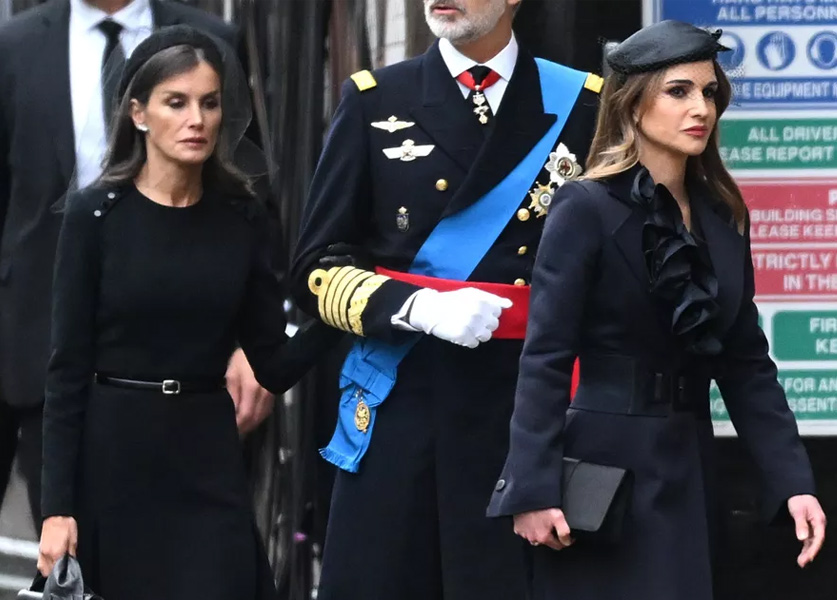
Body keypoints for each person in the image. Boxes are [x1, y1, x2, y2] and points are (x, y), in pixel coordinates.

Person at [487, 20, 826, 600]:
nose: (702, 107)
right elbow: (545, 356)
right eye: (679, 91)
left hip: (689, 465)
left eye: (710, 91)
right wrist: (532, 489)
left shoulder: (724, 221)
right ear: (632, 105)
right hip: (601, 476)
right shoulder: (584, 208)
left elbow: (747, 366)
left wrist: (793, 481)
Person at [289, 0, 600, 597]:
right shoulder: (375, 100)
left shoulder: (584, 102)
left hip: (529, 410)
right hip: (406, 400)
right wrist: (416, 307)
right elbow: (314, 267)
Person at [35, 26, 339, 599]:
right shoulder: (94, 216)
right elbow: (66, 370)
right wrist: (57, 510)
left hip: (206, 453)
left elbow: (271, 363)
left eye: (209, 102)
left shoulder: (243, 218)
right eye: (176, 103)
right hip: (113, 455)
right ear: (139, 113)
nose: (196, 118)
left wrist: (345, 313)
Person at [0, 0, 272, 532]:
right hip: (31, 338)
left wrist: (251, 339)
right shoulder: (15, 45)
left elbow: (246, 185)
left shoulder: (211, 36)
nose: (196, 116)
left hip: (174, 359)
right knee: (66, 547)